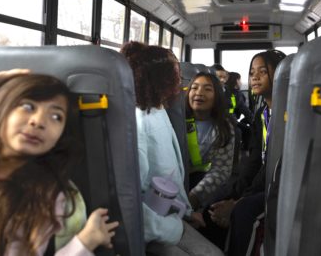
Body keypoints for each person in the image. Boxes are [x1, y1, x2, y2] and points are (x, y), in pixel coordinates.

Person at [0, 58, 119, 256]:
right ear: (2, 109)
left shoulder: (44, 198)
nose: (39, 122)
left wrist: (84, 242)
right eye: (28, 107)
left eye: (56, 117)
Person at [120, 41, 223, 256]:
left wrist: (185, 212)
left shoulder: (158, 111)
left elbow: (169, 179)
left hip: (170, 215)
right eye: (176, 75)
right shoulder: (140, 125)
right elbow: (130, 204)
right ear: (163, 80)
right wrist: (173, 227)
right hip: (155, 227)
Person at [208, 50, 286, 255]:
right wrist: (235, 192)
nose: (255, 77)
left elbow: (272, 165)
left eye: (263, 71)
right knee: (216, 200)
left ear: (280, 75)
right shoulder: (262, 114)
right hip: (263, 178)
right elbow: (254, 161)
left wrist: (239, 201)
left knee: (244, 211)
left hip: (280, 185)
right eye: (252, 72)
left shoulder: (289, 114)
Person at [185, 72, 235, 210]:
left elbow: (221, 170)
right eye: (194, 88)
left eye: (207, 89)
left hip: (204, 183)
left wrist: (194, 197)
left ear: (217, 96)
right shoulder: (177, 120)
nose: (199, 93)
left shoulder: (224, 127)